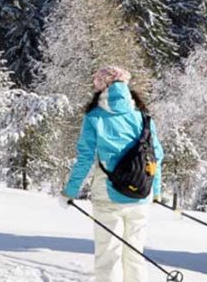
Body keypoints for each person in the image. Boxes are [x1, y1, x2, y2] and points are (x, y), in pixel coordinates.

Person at [60, 66, 164, 282]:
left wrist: (70, 191)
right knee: (135, 254)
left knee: (109, 255)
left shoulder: (95, 117)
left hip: (108, 194)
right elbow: (156, 155)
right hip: (141, 194)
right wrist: (155, 191)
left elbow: (85, 158)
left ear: (102, 87)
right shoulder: (142, 116)